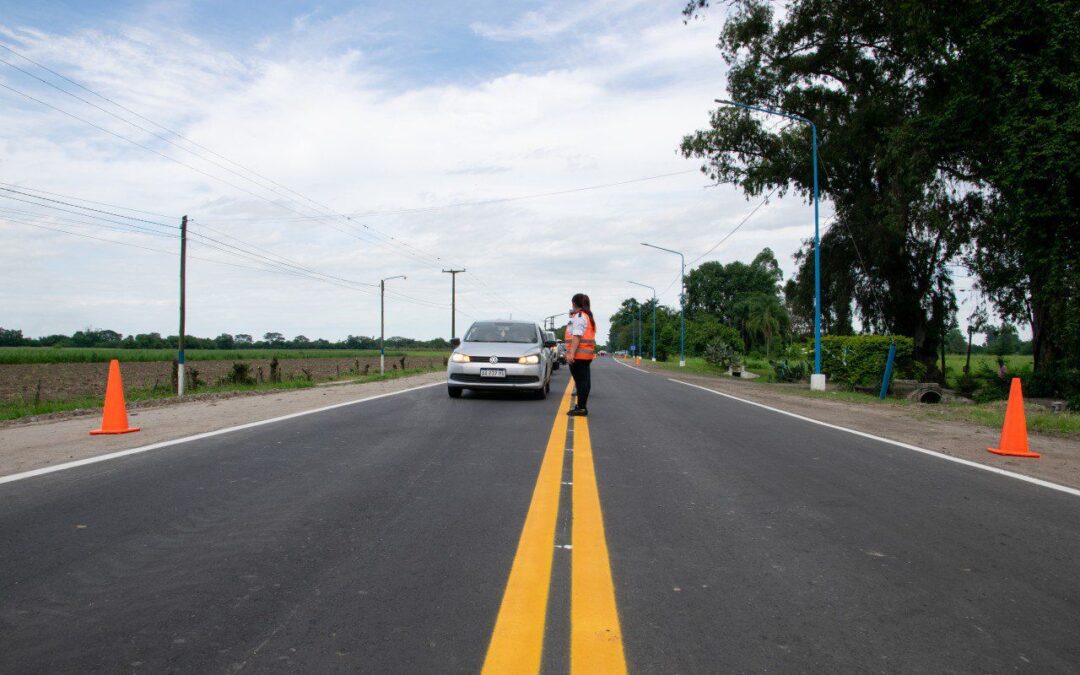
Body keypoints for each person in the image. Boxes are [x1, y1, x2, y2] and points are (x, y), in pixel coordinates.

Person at [565, 293, 597, 416]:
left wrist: (571, 353)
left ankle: (581, 408)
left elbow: (577, 335)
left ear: (574, 304)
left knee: (581, 383)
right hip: (586, 356)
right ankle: (581, 406)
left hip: (578, 355)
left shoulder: (579, 316)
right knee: (584, 382)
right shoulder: (587, 316)